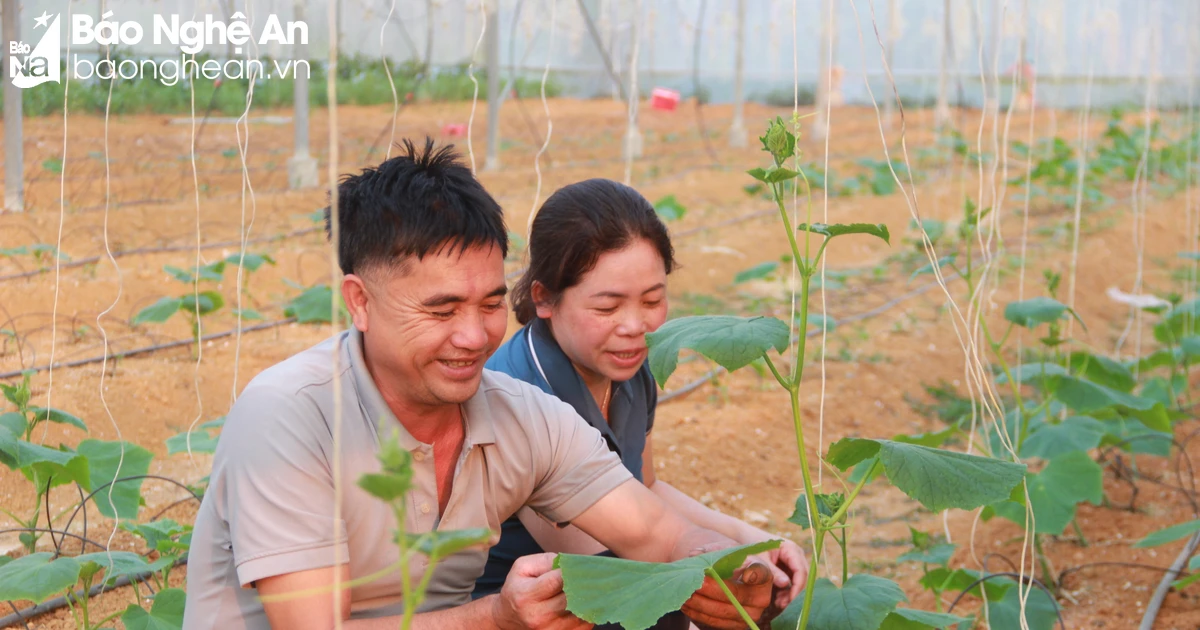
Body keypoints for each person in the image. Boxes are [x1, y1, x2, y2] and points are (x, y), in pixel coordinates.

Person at [183, 140, 778, 630]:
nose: (474, 336)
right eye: (442, 311)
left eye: (492, 303)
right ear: (360, 302)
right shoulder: (290, 416)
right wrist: (493, 618)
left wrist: (720, 566)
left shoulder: (518, 415)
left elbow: (653, 529)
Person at [473, 179, 809, 622]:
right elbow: (603, 548)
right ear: (544, 298)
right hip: (525, 608)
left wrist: (759, 540)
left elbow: (647, 488)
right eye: (608, 308)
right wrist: (726, 560)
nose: (635, 326)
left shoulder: (628, 367)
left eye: (653, 299)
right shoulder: (518, 391)